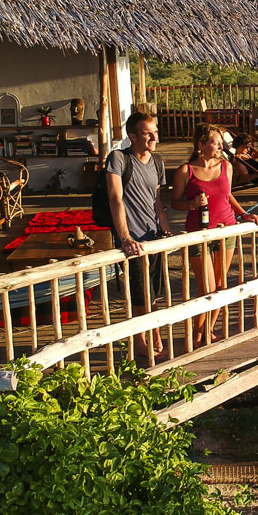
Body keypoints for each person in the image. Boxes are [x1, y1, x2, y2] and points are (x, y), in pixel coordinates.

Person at [171, 124, 258, 347]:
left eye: (221, 141)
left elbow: (228, 195)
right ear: (201, 145)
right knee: (207, 289)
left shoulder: (226, 166)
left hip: (227, 228)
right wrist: (192, 204)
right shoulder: (186, 171)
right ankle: (196, 335)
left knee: (220, 286)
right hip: (199, 234)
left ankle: (207, 331)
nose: (221, 145)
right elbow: (174, 202)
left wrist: (244, 214)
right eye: (215, 141)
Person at [106, 111, 172, 359]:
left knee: (153, 292)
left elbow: (157, 201)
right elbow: (115, 199)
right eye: (147, 133)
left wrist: (165, 230)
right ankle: (140, 342)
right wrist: (125, 238)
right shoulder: (119, 159)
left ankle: (155, 338)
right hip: (133, 238)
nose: (154, 137)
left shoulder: (157, 161)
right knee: (138, 293)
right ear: (132, 136)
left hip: (153, 235)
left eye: (155, 131)